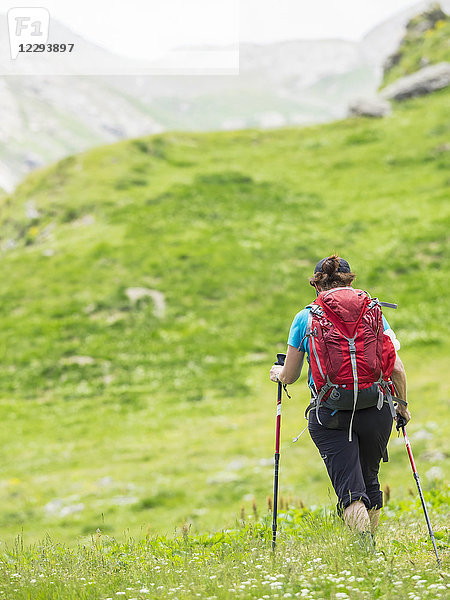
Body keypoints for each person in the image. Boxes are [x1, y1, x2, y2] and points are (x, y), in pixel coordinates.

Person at [269, 255, 411, 537]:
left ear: (316, 284)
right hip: (377, 407)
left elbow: (291, 375)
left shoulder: (306, 316)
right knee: (370, 481)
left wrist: (277, 373)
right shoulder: (373, 310)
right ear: (349, 280)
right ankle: (370, 550)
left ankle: (363, 553)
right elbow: (395, 366)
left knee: (350, 490)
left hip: (330, 415)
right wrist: (402, 406)